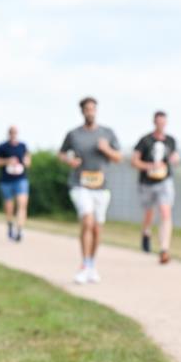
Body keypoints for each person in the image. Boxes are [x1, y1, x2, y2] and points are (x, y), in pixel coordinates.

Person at [58, 97, 122, 284]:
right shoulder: (74, 134)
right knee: (87, 220)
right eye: (87, 109)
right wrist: (69, 160)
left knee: (97, 228)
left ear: (97, 111)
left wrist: (106, 149)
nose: (90, 112)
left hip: (101, 186)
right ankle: (84, 264)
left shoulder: (107, 133)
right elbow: (61, 153)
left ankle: (92, 264)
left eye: (93, 109)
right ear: (82, 111)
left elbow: (118, 157)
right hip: (80, 184)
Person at [131, 111, 179, 264]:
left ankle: (164, 249)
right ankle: (146, 232)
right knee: (149, 214)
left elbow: (175, 157)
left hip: (165, 181)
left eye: (163, 122)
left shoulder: (171, 140)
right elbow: (134, 162)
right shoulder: (145, 141)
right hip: (147, 183)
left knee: (165, 212)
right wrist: (150, 166)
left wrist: (175, 159)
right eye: (159, 122)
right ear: (154, 122)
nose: (161, 124)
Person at [0, 126, 32, 242]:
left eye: (15, 132)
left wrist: (26, 162)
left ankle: (19, 230)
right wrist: (7, 161)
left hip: (21, 179)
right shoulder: (2, 147)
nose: (13, 134)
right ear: (8, 134)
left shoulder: (23, 146)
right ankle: (10, 224)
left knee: (22, 205)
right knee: (9, 207)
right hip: (6, 181)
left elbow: (28, 160)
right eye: (11, 132)